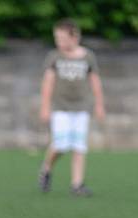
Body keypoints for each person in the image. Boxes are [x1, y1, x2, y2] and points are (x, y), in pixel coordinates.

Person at [38, 18, 106, 197]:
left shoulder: (87, 57)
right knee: (61, 144)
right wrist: (44, 106)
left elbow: (95, 81)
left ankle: (77, 184)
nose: (58, 42)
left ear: (74, 37)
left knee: (79, 146)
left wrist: (99, 104)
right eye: (56, 38)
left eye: (62, 38)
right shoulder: (54, 57)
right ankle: (46, 168)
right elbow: (48, 83)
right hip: (61, 108)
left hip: (81, 108)